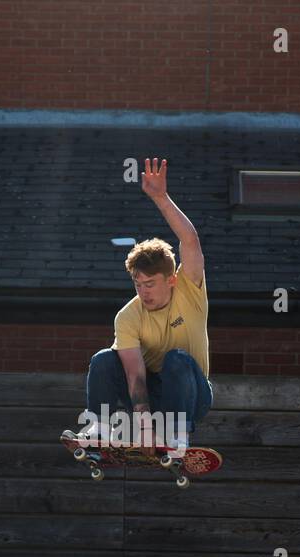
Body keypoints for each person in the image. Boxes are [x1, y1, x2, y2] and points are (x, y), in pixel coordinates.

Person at [67, 157, 213, 456]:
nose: (143, 293)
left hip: (191, 395)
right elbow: (134, 376)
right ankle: (101, 428)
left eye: (150, 284)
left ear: (171, 280)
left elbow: (191, 240)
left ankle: (177, 434)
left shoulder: (189, 288)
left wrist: (160, 197)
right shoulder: (129, 316)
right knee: (104, 358)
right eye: (138, 285)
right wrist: (145, 429)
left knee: (177, 359)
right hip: (150, 398)